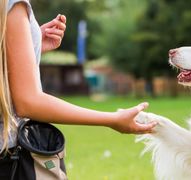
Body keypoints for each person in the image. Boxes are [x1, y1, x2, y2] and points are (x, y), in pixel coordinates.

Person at [0, 0, 156, 178]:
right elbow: (28, 102)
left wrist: (29, 46)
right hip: (8, 160)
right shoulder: (11, 3)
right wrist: (112, 119)